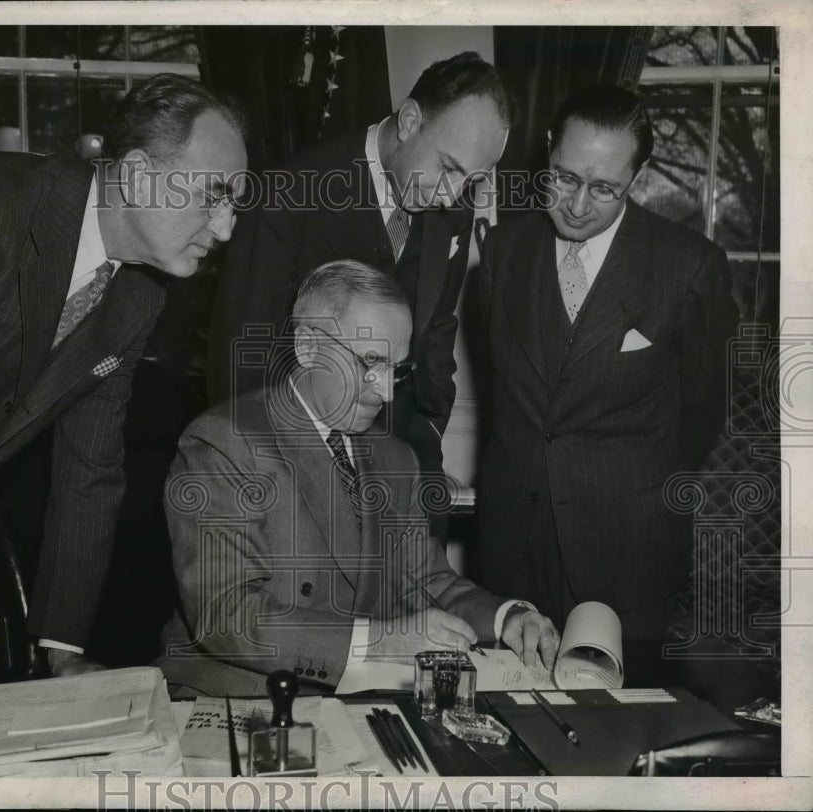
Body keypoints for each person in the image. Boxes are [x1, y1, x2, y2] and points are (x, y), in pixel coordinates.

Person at [0, 74, 248, 710]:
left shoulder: (140, 293)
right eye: (215, 196)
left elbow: (91, 471)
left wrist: (60, 651)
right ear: (139, 175)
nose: (225, 229)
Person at [159, 260, 558, 697]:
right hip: (240, 698)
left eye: (398, 369)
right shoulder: (226, 442)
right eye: (370, 362)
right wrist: (384, 639)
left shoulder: (395, 458)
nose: (386, 391)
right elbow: (227, 618)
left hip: (353, 699)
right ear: (308, 347)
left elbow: (427, 580)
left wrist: (508, 617)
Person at [473, 85, 738, 662]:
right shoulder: (501, 252)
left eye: (604, 189)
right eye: (564, 177)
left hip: (626, 552)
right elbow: (503, 394)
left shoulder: (690, 268)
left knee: (613, 737)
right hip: (509, 544)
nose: (576, 204)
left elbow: (700, 416)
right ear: (548, 150)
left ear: (637, 178)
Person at [206, 51, 514, 532]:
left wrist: (429, 431)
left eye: (472, 180)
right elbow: (241, 358)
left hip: (408, 464)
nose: (452, 195)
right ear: (410, 120)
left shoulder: (454, 205)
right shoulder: (292, 190)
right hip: (298, 465)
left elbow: (437, 328)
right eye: (449, 168)